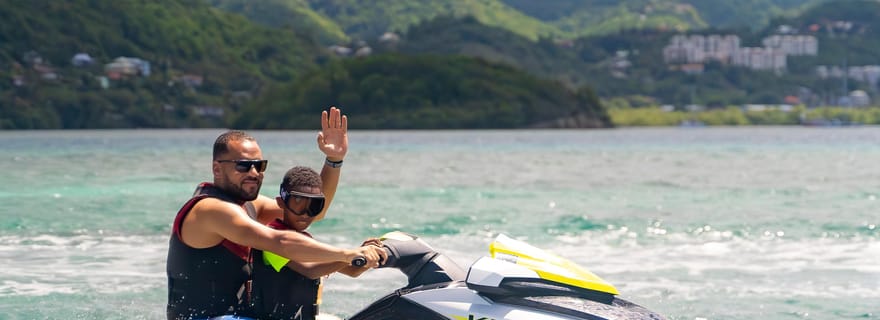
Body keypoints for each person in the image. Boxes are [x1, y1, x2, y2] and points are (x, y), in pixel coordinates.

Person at [166, 107, 386, 320]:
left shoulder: (250, 206)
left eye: (259, 165)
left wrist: (334, 161)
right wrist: (346, 254)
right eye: (243, 166)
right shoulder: (211, 209)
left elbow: (310, 211)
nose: (254, 173)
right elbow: (278, 241)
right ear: (217, 169)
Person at [249, 166, 381, 320]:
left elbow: (352, 271)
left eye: (314, 206)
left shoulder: (306, 240)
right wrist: (353, 254)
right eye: (297, 203)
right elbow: (310, 270)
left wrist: (368, 256)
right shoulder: (273, 239)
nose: (305, 214)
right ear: (281, 203)